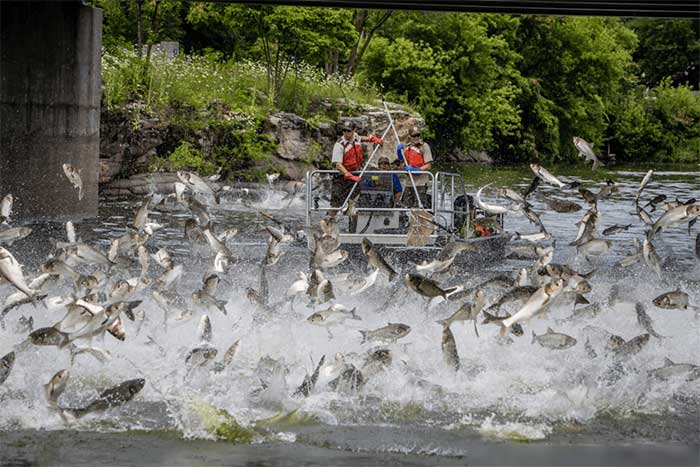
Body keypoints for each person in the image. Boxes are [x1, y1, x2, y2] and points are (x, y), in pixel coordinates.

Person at [330, 124, 383, 215]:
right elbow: (338, 164)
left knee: (356, 192)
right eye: (344, 131)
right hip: (342, 176)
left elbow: (360, 138)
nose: (346, 133)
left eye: (348, 131)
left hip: (355, 172)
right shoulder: (339, 145)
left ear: (354, 130)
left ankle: (350, 209)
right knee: (336, 201)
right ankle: (329, 219)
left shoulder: (355, 137)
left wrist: (372, 139)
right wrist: (347, 174)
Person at [396, 127, 433, 208]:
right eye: (414, 136)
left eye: (418, 135)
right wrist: (400, 155)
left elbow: (428, 166)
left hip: (421, 183)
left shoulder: (424, 146)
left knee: (419, 206)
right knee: (406, 206)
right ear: (410, 136)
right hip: (409, 183)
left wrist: (416, 169)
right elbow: (403, 166)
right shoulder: (407, 148)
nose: (416, 137)